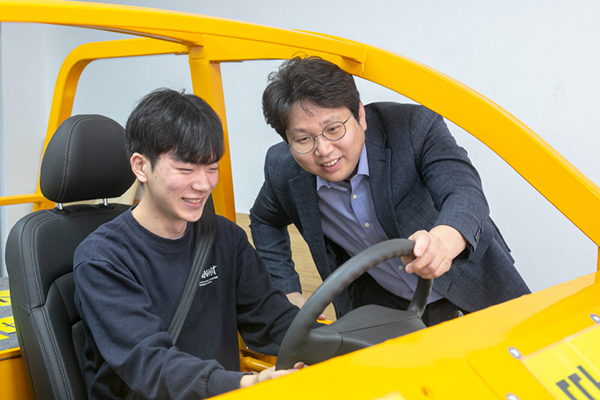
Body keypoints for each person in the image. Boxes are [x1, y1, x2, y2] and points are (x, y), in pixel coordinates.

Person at [249, 56, 530, 325]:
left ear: (360, 115)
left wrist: (441, 243)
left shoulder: (412, 127)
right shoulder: (282, 168)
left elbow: (464, 191)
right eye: (303, 139)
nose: (323, 150)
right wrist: (287, 291)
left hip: (475, 287)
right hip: (384, 309)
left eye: (333, 129)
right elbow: (264, 220)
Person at [73, 88, 303, 400]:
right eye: (186, 169)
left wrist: (340, 342)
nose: (204, 183)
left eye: (212, 168)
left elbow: (272, 320)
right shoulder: (103, 259)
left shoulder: (225, 237)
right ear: (141, 167)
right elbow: (151, 365)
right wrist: (245, 384)